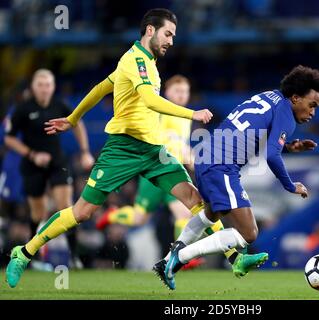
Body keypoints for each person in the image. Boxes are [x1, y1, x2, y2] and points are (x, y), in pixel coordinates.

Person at [5, 8, 262, 289]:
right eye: (168, 34)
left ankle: (234, 256)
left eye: (173, 36)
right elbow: (151, 101)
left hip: (154, 150)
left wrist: (73, 118)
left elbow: (102, 87)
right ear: (150, 31)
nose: (171, 41)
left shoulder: (147, 62)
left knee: (197, 201)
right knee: (81, 212)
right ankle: (24, 252)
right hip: (122, 149)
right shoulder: (135, 60)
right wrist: (192, 113)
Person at [161, 65, 319, 290]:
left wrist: (289, 146)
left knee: (210, 214)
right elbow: (271, 156)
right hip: (221, 166)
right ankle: (177, 258)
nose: (313, 113)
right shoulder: (286, 113)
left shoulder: (269, 97)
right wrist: (290, 185)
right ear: (296, 98)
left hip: (206, 157)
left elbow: (255, 133)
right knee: (249, 233)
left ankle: (168, 260)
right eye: (312, 105)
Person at [95, 74, 266, 272]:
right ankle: (113, 215)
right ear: (167, 92)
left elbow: (179, 143)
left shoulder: (186, 115)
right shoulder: (162, 111)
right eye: (177, 91)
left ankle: (185, 256)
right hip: (155, 173)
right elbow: (166, 140)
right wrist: (188, 157)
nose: (181, 95)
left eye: (185, 91)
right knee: (139, 218)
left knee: (185, 212)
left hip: (172, 173)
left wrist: (189, 155)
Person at [4, 69, 94, 268]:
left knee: (67, 207)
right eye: (40, 85)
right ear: (33, 87)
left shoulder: (59, 104)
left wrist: (85, 151)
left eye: (48, 85)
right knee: (38, 213)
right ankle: (32, 256)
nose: (44, 89)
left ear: (53, 87)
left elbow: (77, 122)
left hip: (57, 162)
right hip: (32, 163)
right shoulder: (23, 109)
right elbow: (9, 138)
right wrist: (32, 155)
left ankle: (74, 256)